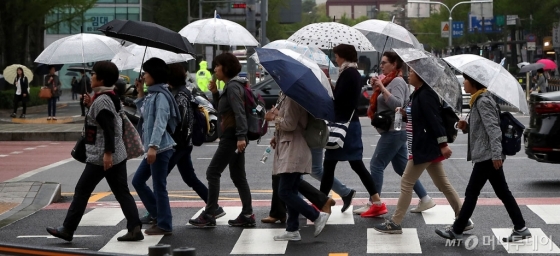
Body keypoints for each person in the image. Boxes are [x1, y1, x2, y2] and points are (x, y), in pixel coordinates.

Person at [46, 61, 143, 242]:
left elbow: (109, 130)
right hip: (117, 155)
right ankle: (135, 228)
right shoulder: (109, 96)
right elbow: (107, 121)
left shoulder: (103, 100)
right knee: (122, 192)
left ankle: (67, 229)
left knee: (82, 190)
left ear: (101, 79)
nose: (91, 77)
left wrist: (107, 154)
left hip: (102, 157)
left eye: (93, 74)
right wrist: (92, 104)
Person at [373, 68, 470, 234]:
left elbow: (435, 121)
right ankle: (463, 219)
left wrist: (443, 144)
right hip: (425, 146)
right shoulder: (418, 93)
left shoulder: (427, 95)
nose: (409, 74)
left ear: (421, 75)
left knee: (406, 182)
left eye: (412, 72)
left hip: (425, 146)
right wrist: (404, 113)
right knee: (443, 184)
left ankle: (395, 222)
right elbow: (419, 117)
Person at [435, 74, 531, 242]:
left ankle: (457, 229)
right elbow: (481, 128)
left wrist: (495, 155)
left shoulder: (483, 101)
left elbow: (494, 130)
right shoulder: (478, 100)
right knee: (502, 192)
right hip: (487, 155)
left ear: (473, 83)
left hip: (487, 156)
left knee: (472, 192)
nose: (463, 83)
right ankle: (521, 227)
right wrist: (466, 126)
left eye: (465, 80)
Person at [138, 63, 225, 225]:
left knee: (159, 181)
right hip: (184, 143)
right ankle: (214, 207)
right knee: (189, 178)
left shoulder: (178, 95)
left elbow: (176, 122)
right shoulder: (181, 92)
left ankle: (156, 213)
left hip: (176, 144)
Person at [357, 52, 434, 215]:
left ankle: (375, 203)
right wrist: (377, 86)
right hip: (394, 130)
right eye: (381, 62)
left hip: (394, 130)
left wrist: (382, 88)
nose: (382, 65)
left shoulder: (397, 81)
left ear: (394, 65)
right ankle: (425, 199)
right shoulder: (388, 80)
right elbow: (381, 102)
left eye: (385, 62)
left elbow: (397, 104)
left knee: (376, 165)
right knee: (402, 169)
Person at [320, 44, 387, 218]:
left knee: (333, 165)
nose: (335, 59)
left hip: (345, 125)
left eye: (336, 56)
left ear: (343, 56)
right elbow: (344, 97)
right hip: (349, 125)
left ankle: (320, 204)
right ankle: (377, 201)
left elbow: (342, 101)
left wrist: (329, 92)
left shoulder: (349, 73)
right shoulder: (352, 73)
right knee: (351, 164)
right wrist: (333, 86)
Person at [189, 53, 254, 227]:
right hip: (234, 135)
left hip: (232, 136)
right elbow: (223, 111)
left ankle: (210, 213)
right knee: (238, 175)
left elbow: (239, 112)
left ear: (226, 68)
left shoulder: (233, 87)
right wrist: (216, 93)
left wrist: (241, 136)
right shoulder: (230, 86)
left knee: (213, 172)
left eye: (217, 65)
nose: (215, 69)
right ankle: (248, 214)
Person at [265, 93, 330, 241]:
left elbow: (290, 124)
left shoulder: (293, 98)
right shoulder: (288, 96)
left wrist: (273, 118)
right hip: (290, 146)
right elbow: (289, 122)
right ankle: (292, 229)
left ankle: (317, 216)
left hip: (294, 149)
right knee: (292, 190)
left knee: (284, 192)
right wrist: (276, 134)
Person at [131, 58, 181, 236]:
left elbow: (160, 123)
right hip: (154, 148)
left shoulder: (161, 96)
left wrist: (152, 147)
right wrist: (140, 92)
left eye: (146, 73)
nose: (143, 76)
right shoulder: (152, 94)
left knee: (159, 186)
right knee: (138, 181)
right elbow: (144, 115)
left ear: (154, 75)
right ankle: (158, 215)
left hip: (161, 148)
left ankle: (164, 224)